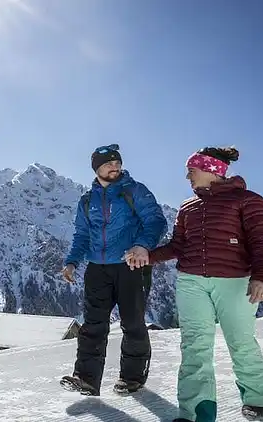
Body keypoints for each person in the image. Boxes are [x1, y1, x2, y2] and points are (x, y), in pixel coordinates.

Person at [126, 146, 263, 422]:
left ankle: (256, 396)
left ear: (211, 170)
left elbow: (262, 242)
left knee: (241, 342)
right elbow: (178, 246)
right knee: (194, 346)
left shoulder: (248, 200)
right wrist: (148, 256)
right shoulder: (187, 207)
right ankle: (196, 413)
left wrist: (262, 277)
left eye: (191, 171)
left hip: (235, 282)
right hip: (191, 282)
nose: (187, 177)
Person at [60, 143, 168, 396]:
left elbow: (155, 221)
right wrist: (72, 261)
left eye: (117, 162)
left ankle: (132, 378)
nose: (114, 166)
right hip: (97, 269)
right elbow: (82, 235)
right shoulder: (87, 201)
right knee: (93, 325)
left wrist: (142, 246)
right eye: (108, 163)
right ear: (97, 168)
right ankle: (86, 379)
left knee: (133, 323)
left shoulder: (135, 191)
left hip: (131, 265)